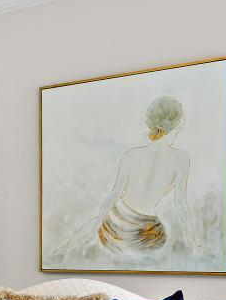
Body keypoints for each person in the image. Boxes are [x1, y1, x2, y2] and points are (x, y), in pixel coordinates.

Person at [78, 95, 194, 259]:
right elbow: (181, 204)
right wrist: (192, 242)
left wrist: (95, 227)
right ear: (177, 125)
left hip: (113, 225)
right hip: (143, 234)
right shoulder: (181, 159)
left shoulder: (131, 155)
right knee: (159, 241)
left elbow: (114, 195)